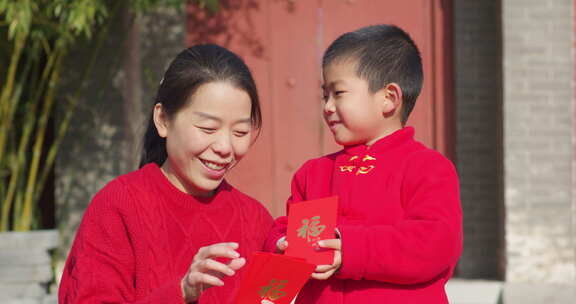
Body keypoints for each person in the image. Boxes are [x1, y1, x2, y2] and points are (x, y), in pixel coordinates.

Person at [59, 44, 274, 304]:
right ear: (162, 120)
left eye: (240, 132)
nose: (225, 147)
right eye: (208, 128)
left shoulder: (256, 219)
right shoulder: (118, 205)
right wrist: (181, 292)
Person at [265, 24, 462, 303]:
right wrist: (281, 245)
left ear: (389, 98)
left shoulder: (428, 168)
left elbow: (435, 244)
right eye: (325, 95)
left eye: (338, 93)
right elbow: (288, 229)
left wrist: (352, 250)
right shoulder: (314, 174)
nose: (327, 107)